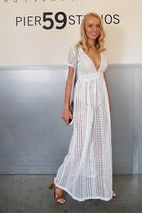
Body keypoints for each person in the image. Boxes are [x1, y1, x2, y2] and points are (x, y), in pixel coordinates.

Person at [49, 12, 114, 204]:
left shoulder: (102, 50)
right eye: (90, 26)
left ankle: (102, 185)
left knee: (100, 142)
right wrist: (65, 107)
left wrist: (108, 102)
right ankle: (59, 183)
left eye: (97, 26)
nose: (94, 29)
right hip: (83, 102)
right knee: (80, 144)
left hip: (100, 101)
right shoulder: (76, 49)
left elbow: (103, 77)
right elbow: (70, 79)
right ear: (84, 28)